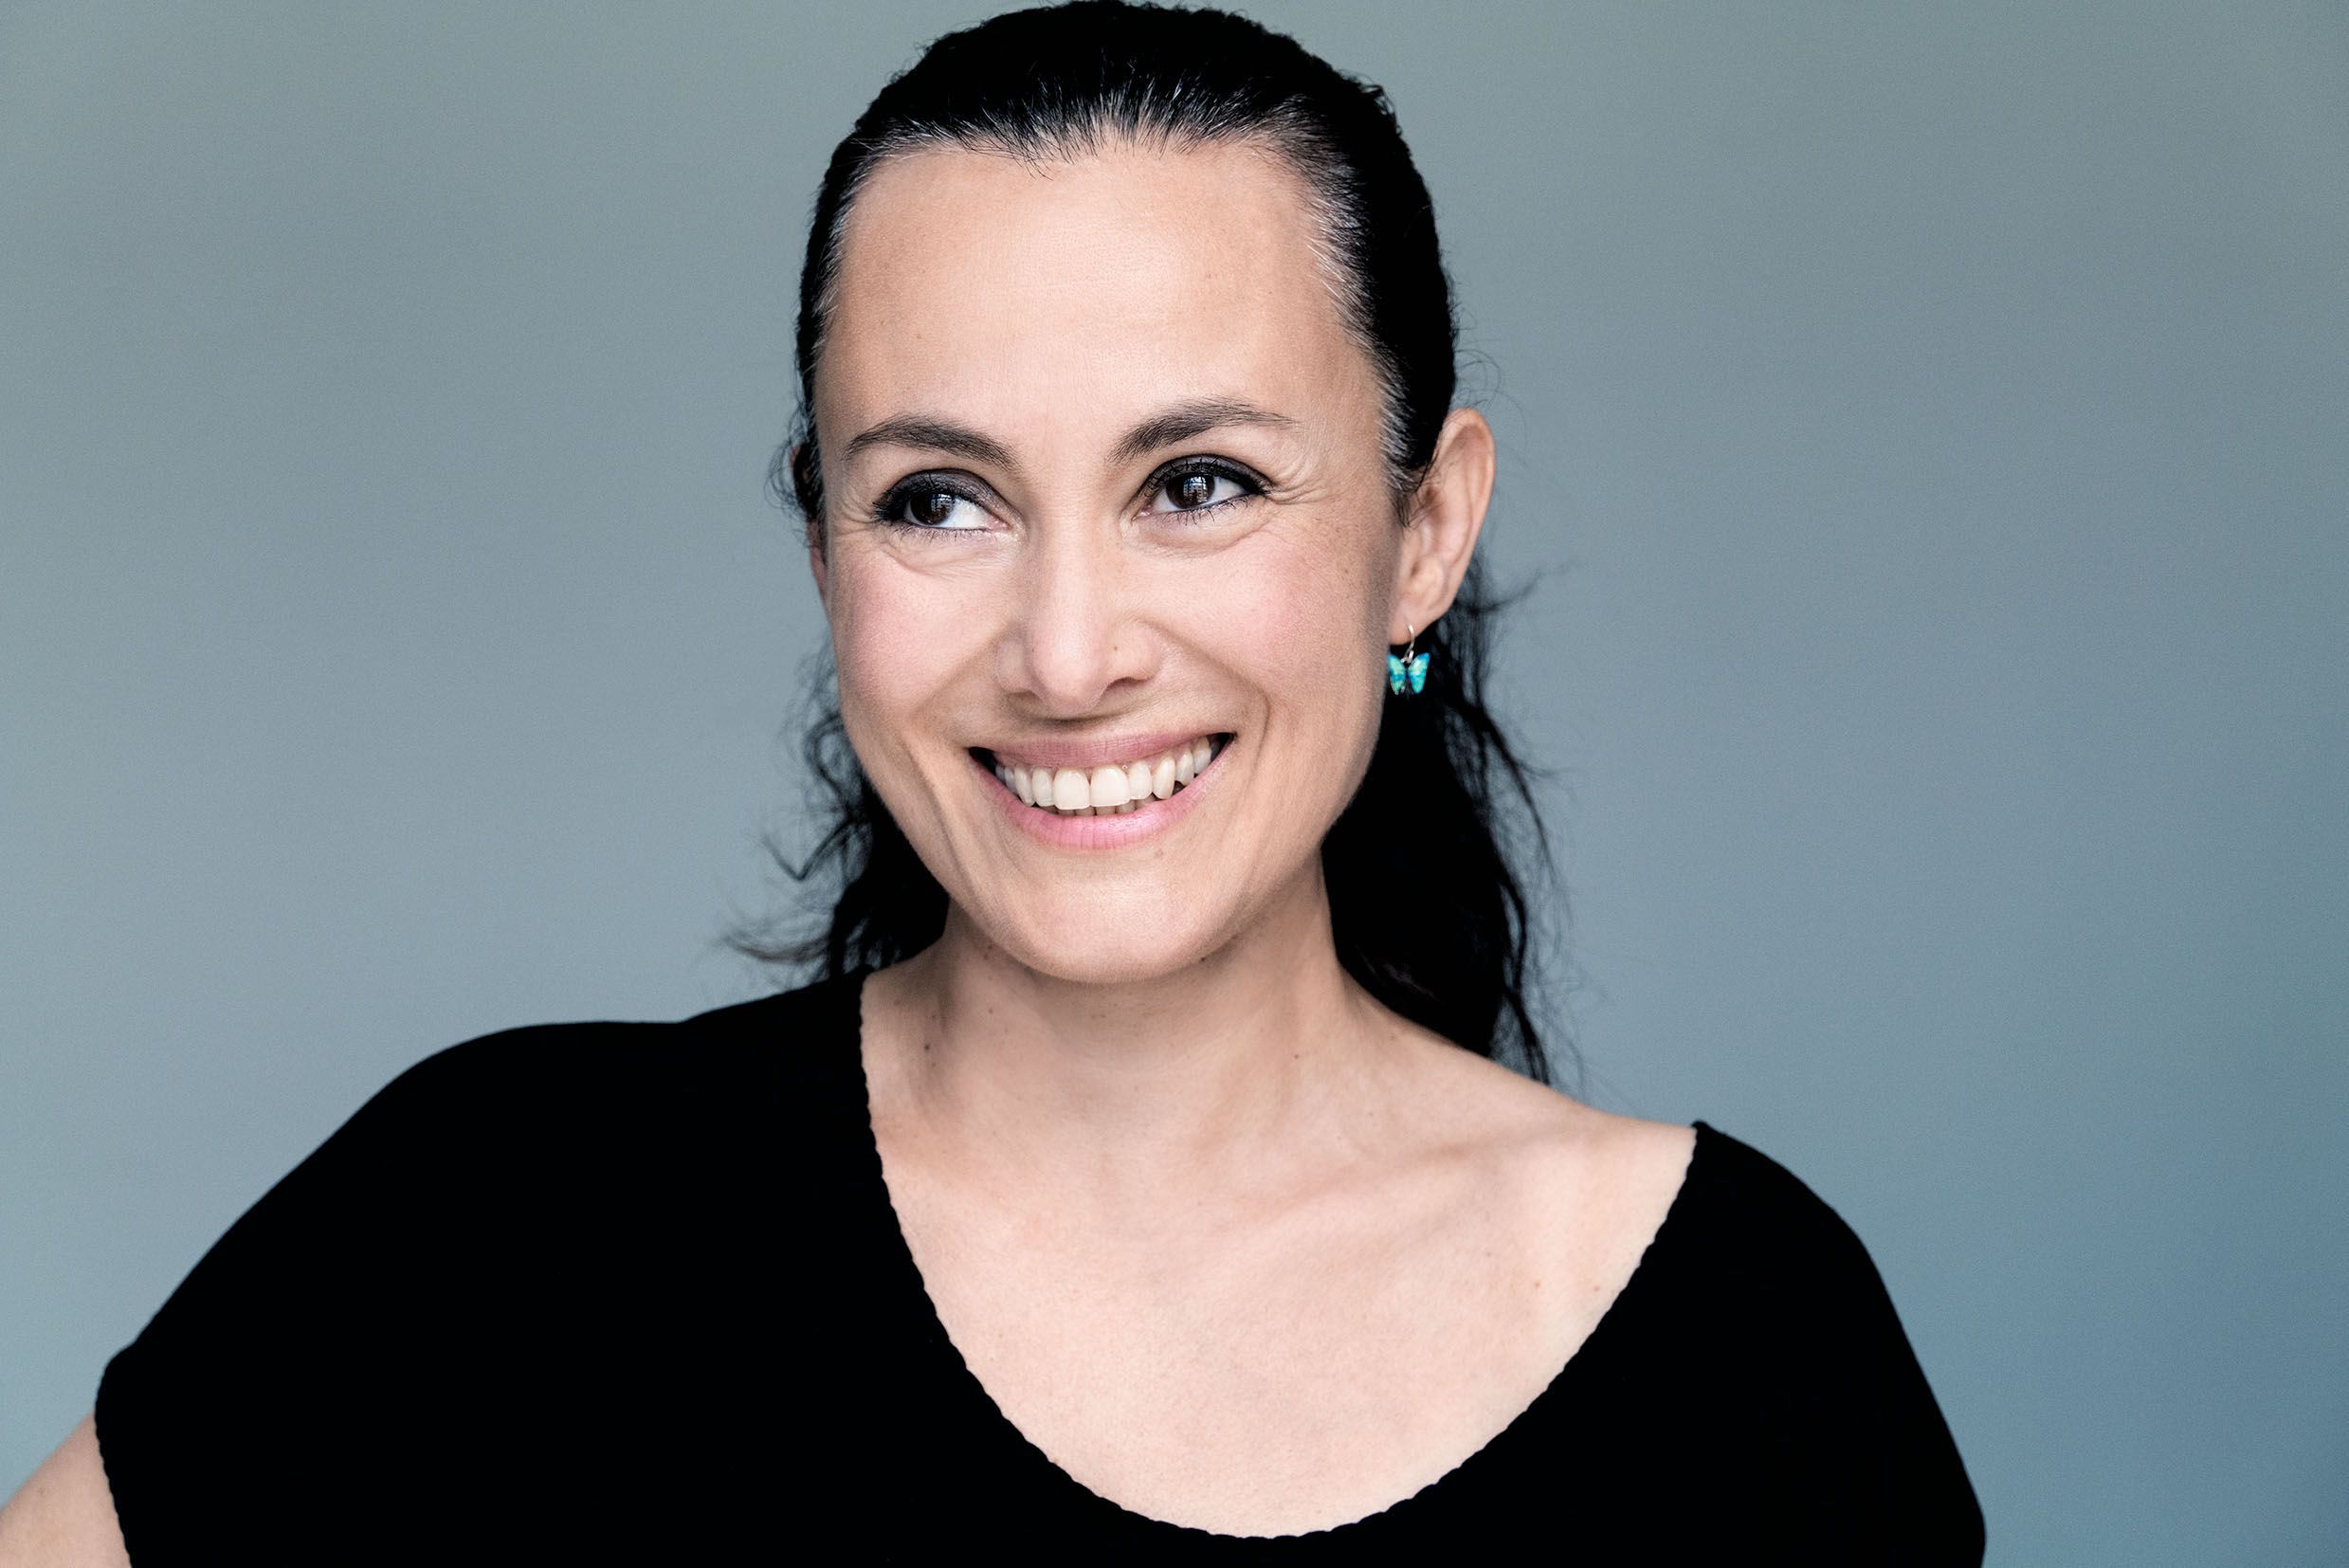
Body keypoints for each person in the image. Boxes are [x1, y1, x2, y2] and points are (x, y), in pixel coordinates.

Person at [1, 2, 1984, 1559]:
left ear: (1424, 530)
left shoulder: (1747, 1347)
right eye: (938, 499)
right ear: (824, 550)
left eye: (1197, 482)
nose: (1064, 649)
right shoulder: (495, 1229)